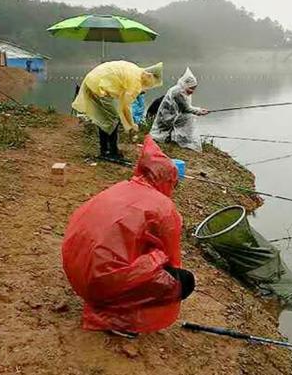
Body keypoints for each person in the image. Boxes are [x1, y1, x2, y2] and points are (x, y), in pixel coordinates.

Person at [61, 135, 195, 337]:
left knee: (144, 254)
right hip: (99, 282)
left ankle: (111, 298)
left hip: (77, 270)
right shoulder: (164, 208)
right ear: (168, 179)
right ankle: (119, 319)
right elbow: (172, 257)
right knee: (182, 281)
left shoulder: (121, 187)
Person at [72, 60, 163, 159]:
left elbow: (123, 104)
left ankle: (105, 150)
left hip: (94, 82)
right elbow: (125, 107)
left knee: (105, 118)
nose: (149, 86)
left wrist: (129, 125)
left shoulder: (135, 72)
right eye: (152, 83)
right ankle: (112, 152)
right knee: (112, 119)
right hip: (98, 86)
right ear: (149, 76)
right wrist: (131, 125)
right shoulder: (135, 80)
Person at [150, 67, 208, 151]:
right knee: (188, 117)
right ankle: (184, 140)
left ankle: (180, 139)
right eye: (191, 88)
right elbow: (186, 108)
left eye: (194, 89)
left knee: (188, 117)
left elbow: (186, 107)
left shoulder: (183, 90)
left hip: (174, 114)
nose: (192, 91)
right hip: (167, 115)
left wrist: (199, 110)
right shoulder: (178, 92)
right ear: (185, 84)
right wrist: (199, 111)